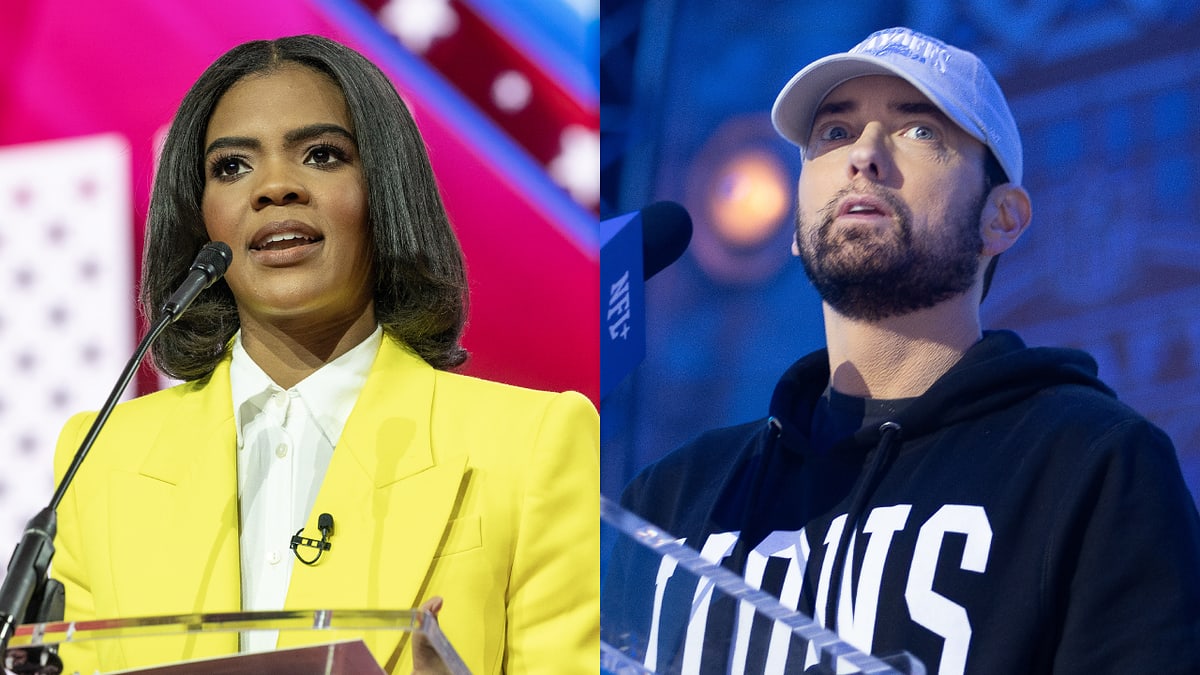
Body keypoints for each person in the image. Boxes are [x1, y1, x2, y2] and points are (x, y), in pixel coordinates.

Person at [605, 26, 1200, 674]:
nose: (864, 155)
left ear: (1001, 216)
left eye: (919, 131)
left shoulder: (1091, 463)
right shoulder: (674, 496)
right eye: (835, 133)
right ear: (800, 227)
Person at [49, 34, 598, 674]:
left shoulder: (531, 444)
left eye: (321, 155)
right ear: (201, 219)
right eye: (231, 167)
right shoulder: (103, 457)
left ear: (384, 192)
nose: (275, 187)